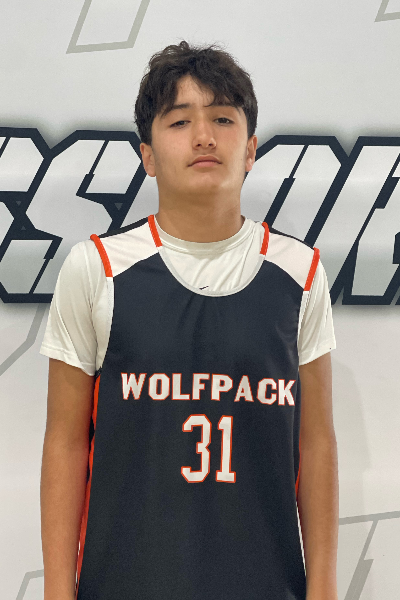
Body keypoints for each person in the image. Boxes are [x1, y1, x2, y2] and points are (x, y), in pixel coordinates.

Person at [39, 40, 338, 600]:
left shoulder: (299, 272)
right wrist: (58, 590)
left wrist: (323, 586)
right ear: (148, 156)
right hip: (125, 583)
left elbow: (316, 442)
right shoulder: (97, 268)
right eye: (179, 121)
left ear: (250, 149)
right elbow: (65, 441)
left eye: (223, 118)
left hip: (264, 583)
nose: (204, 136)